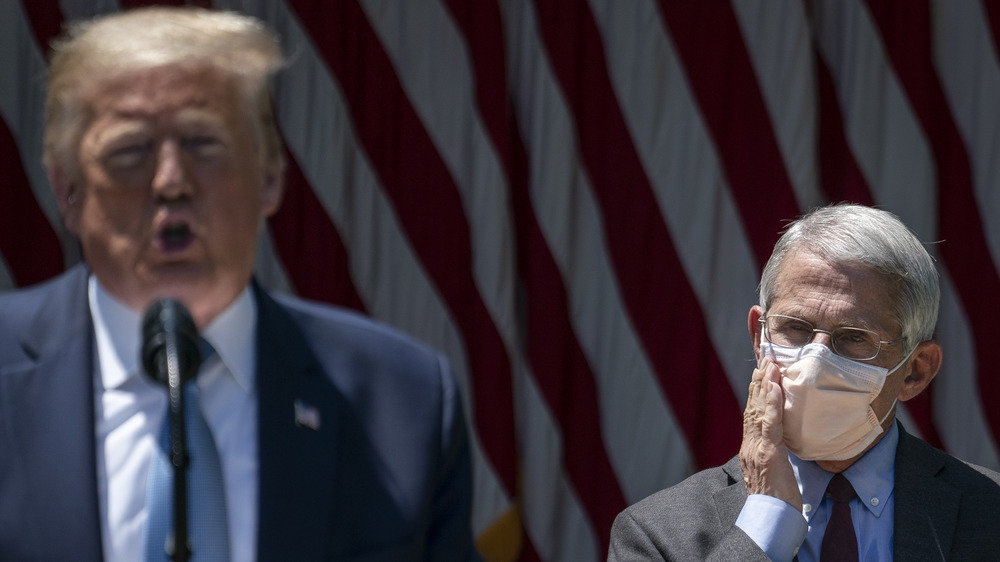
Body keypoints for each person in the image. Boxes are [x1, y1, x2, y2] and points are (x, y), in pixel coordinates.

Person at [0, 7, 480, 561]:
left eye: (204, 144)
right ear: (68, 192)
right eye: (130, 151)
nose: (170, 182)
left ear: (271, 176)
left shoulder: (402, 401)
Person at [608, 203, 1000, 561]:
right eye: (795, 328)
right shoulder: (657, 534)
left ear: (916, 370)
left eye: (853, 337)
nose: (816, 361)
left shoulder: (989, 512)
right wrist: (765, 524)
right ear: (759, 339)